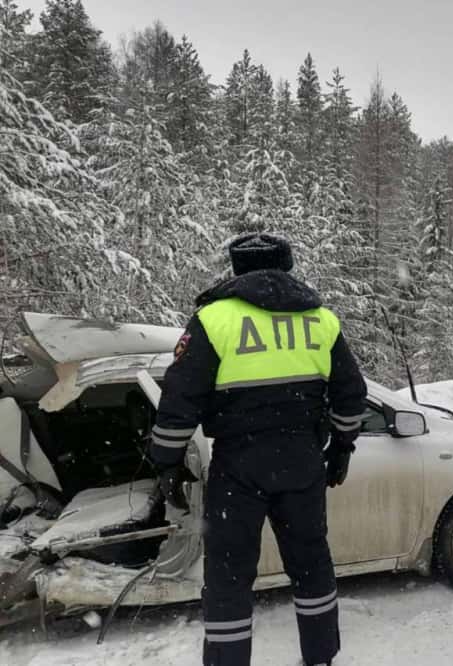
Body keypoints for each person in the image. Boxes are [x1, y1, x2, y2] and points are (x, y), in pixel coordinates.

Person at [149, 233, 368, 666]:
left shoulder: (214, 319)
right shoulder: (321, 319)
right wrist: (341, 447)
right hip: (303, 460)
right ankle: (322, 657)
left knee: (229, 576)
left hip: (239, 465)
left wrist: (167, 463)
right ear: (286, 266)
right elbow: (351, 394)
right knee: (312, 564)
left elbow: (179, 399)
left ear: (237, 269)